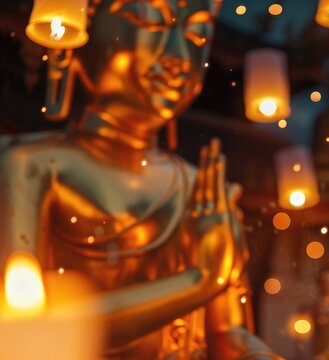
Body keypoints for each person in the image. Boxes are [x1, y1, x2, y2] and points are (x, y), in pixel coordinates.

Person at [0, 0, 279, 359]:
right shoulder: (29, 166)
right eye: (148, 23)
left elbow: (231, 337)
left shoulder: (203, 190)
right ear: (83, 30)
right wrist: (200, 281)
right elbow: (26, 326)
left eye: (197, 35)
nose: (178, 55)